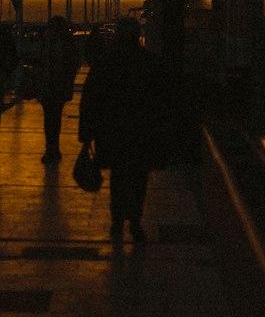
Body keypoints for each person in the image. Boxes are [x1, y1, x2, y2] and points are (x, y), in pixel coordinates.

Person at [78, 17, 168, 243]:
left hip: (113, 131)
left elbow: (90, 99)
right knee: (139, 177)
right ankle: (135, 221)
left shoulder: (106, 63)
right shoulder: (151, 63)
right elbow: (161, 99)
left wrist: (87, 133)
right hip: (140, 130)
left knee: (118, 178)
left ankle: (117, 220)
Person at [35, 15, 80, 163]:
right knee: (52, 118)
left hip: (54, 85)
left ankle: (52, 148)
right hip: (52, 85)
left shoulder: (49, 42)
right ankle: (52, 147)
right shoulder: (64, 42)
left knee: (51, 119)